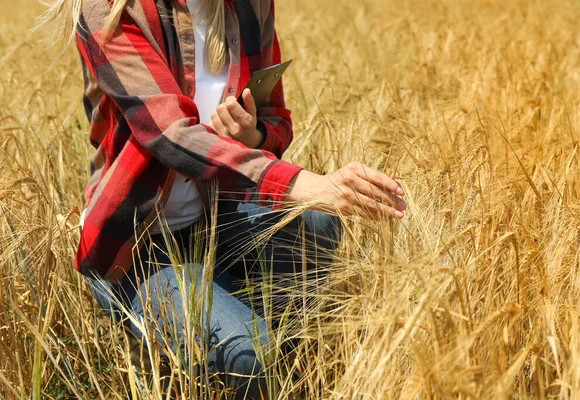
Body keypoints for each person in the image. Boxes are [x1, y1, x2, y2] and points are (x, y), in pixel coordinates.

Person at [41, 0, 407, 397]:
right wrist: (299, 183)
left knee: (319, 224)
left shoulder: (249, 6)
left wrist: (252, 134)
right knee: (250, 359)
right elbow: (168, 133)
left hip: (219, 212)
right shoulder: (108, 9)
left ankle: (279, 363)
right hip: (136, 240)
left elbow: (276, 118)